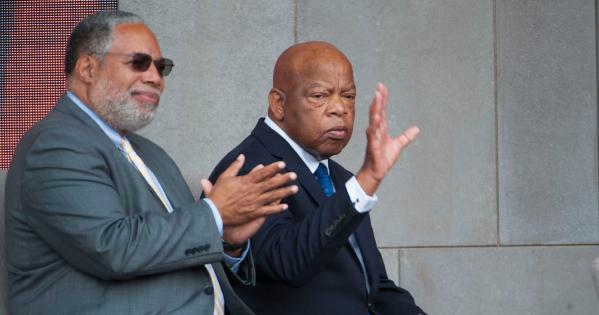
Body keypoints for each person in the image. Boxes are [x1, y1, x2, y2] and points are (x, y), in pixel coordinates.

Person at [4, 10, 298, 315]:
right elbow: (113, 248)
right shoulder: (57, 145)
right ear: (88, 68)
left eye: (161, 67)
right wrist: (214, 215)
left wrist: (225, 239)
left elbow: (174, 247)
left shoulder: (151, 154)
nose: (155, 78)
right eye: (139, 63)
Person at [208, 41, 426, 314]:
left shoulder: (339, 176)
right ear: (278, 104)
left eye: (348, 96)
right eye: (320, 96)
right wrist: (366, 180)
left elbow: (374, 287)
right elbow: (286, 262)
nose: (340, 109)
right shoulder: (249, 168)